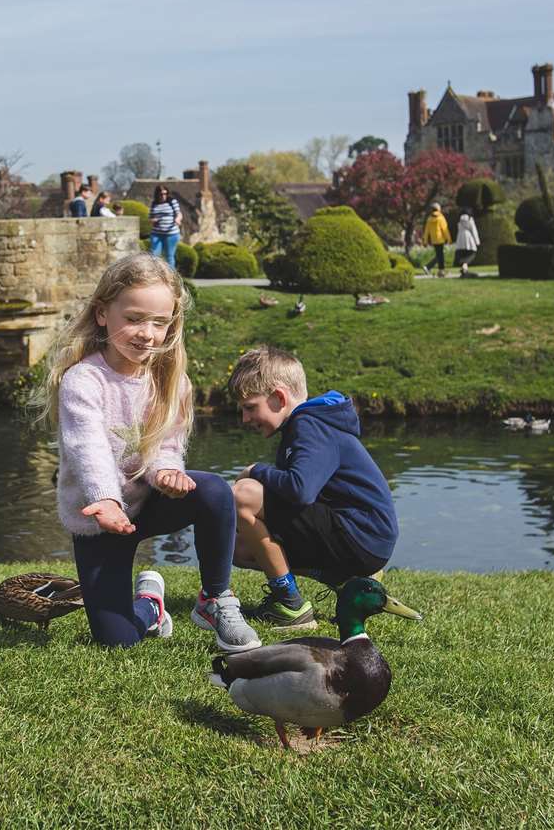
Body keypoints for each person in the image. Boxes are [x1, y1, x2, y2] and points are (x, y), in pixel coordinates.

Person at [34, 253, 260, 652]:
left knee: (213, 491)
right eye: (135, 318)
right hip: (100, 520)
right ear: (103, 313)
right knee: (117, 641)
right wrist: (105, 501)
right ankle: (152, 607)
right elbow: (89, 447)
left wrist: (167, 473)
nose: (148, 333)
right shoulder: (83, 380)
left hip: (148, 503)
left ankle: (214, 599)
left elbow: (166, 448)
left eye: (160, 323)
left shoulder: (172, 381)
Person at [227, 346, 399, 631]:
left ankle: (290, 605)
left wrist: (256, 470)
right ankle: (341, 578)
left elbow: (300, 490)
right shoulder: (308, 423)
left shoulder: (310, 426)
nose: (245, 419)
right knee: (240, 548)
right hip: (359, 536)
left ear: (279, 397)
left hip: (362, 535)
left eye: (249, 407)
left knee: (243, 495)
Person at [147, 185, 182, 268]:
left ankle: (171, 278)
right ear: (157, 194)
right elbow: (150, 218)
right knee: (154, 256)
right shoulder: (154, 204)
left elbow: (179, 213)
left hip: (171, 233)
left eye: (165, 194)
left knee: (169, 256)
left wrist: (178, 219)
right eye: (161, 194)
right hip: (156, 233)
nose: (163, 196)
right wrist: (153, 220)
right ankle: (155, 275)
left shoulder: (172, 201)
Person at [423, 202, 451, 277]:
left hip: (434, 240)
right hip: (440, 239)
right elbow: (445, 229)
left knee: (439, 255)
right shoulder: (441, 218)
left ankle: (430, 267)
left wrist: (425, 241)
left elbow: (426, 231)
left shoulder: (429, 219)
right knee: (440, 256)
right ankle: (440, 271)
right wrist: (448, 239)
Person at [454, 207, 481, 277]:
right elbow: (474, 231)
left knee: (464, 254)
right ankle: (464, 266)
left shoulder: (459, 220)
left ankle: (465, 270)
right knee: (472, 253)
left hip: (460, 237)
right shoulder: (470, 219)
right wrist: (477, 241)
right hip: (468, 236)